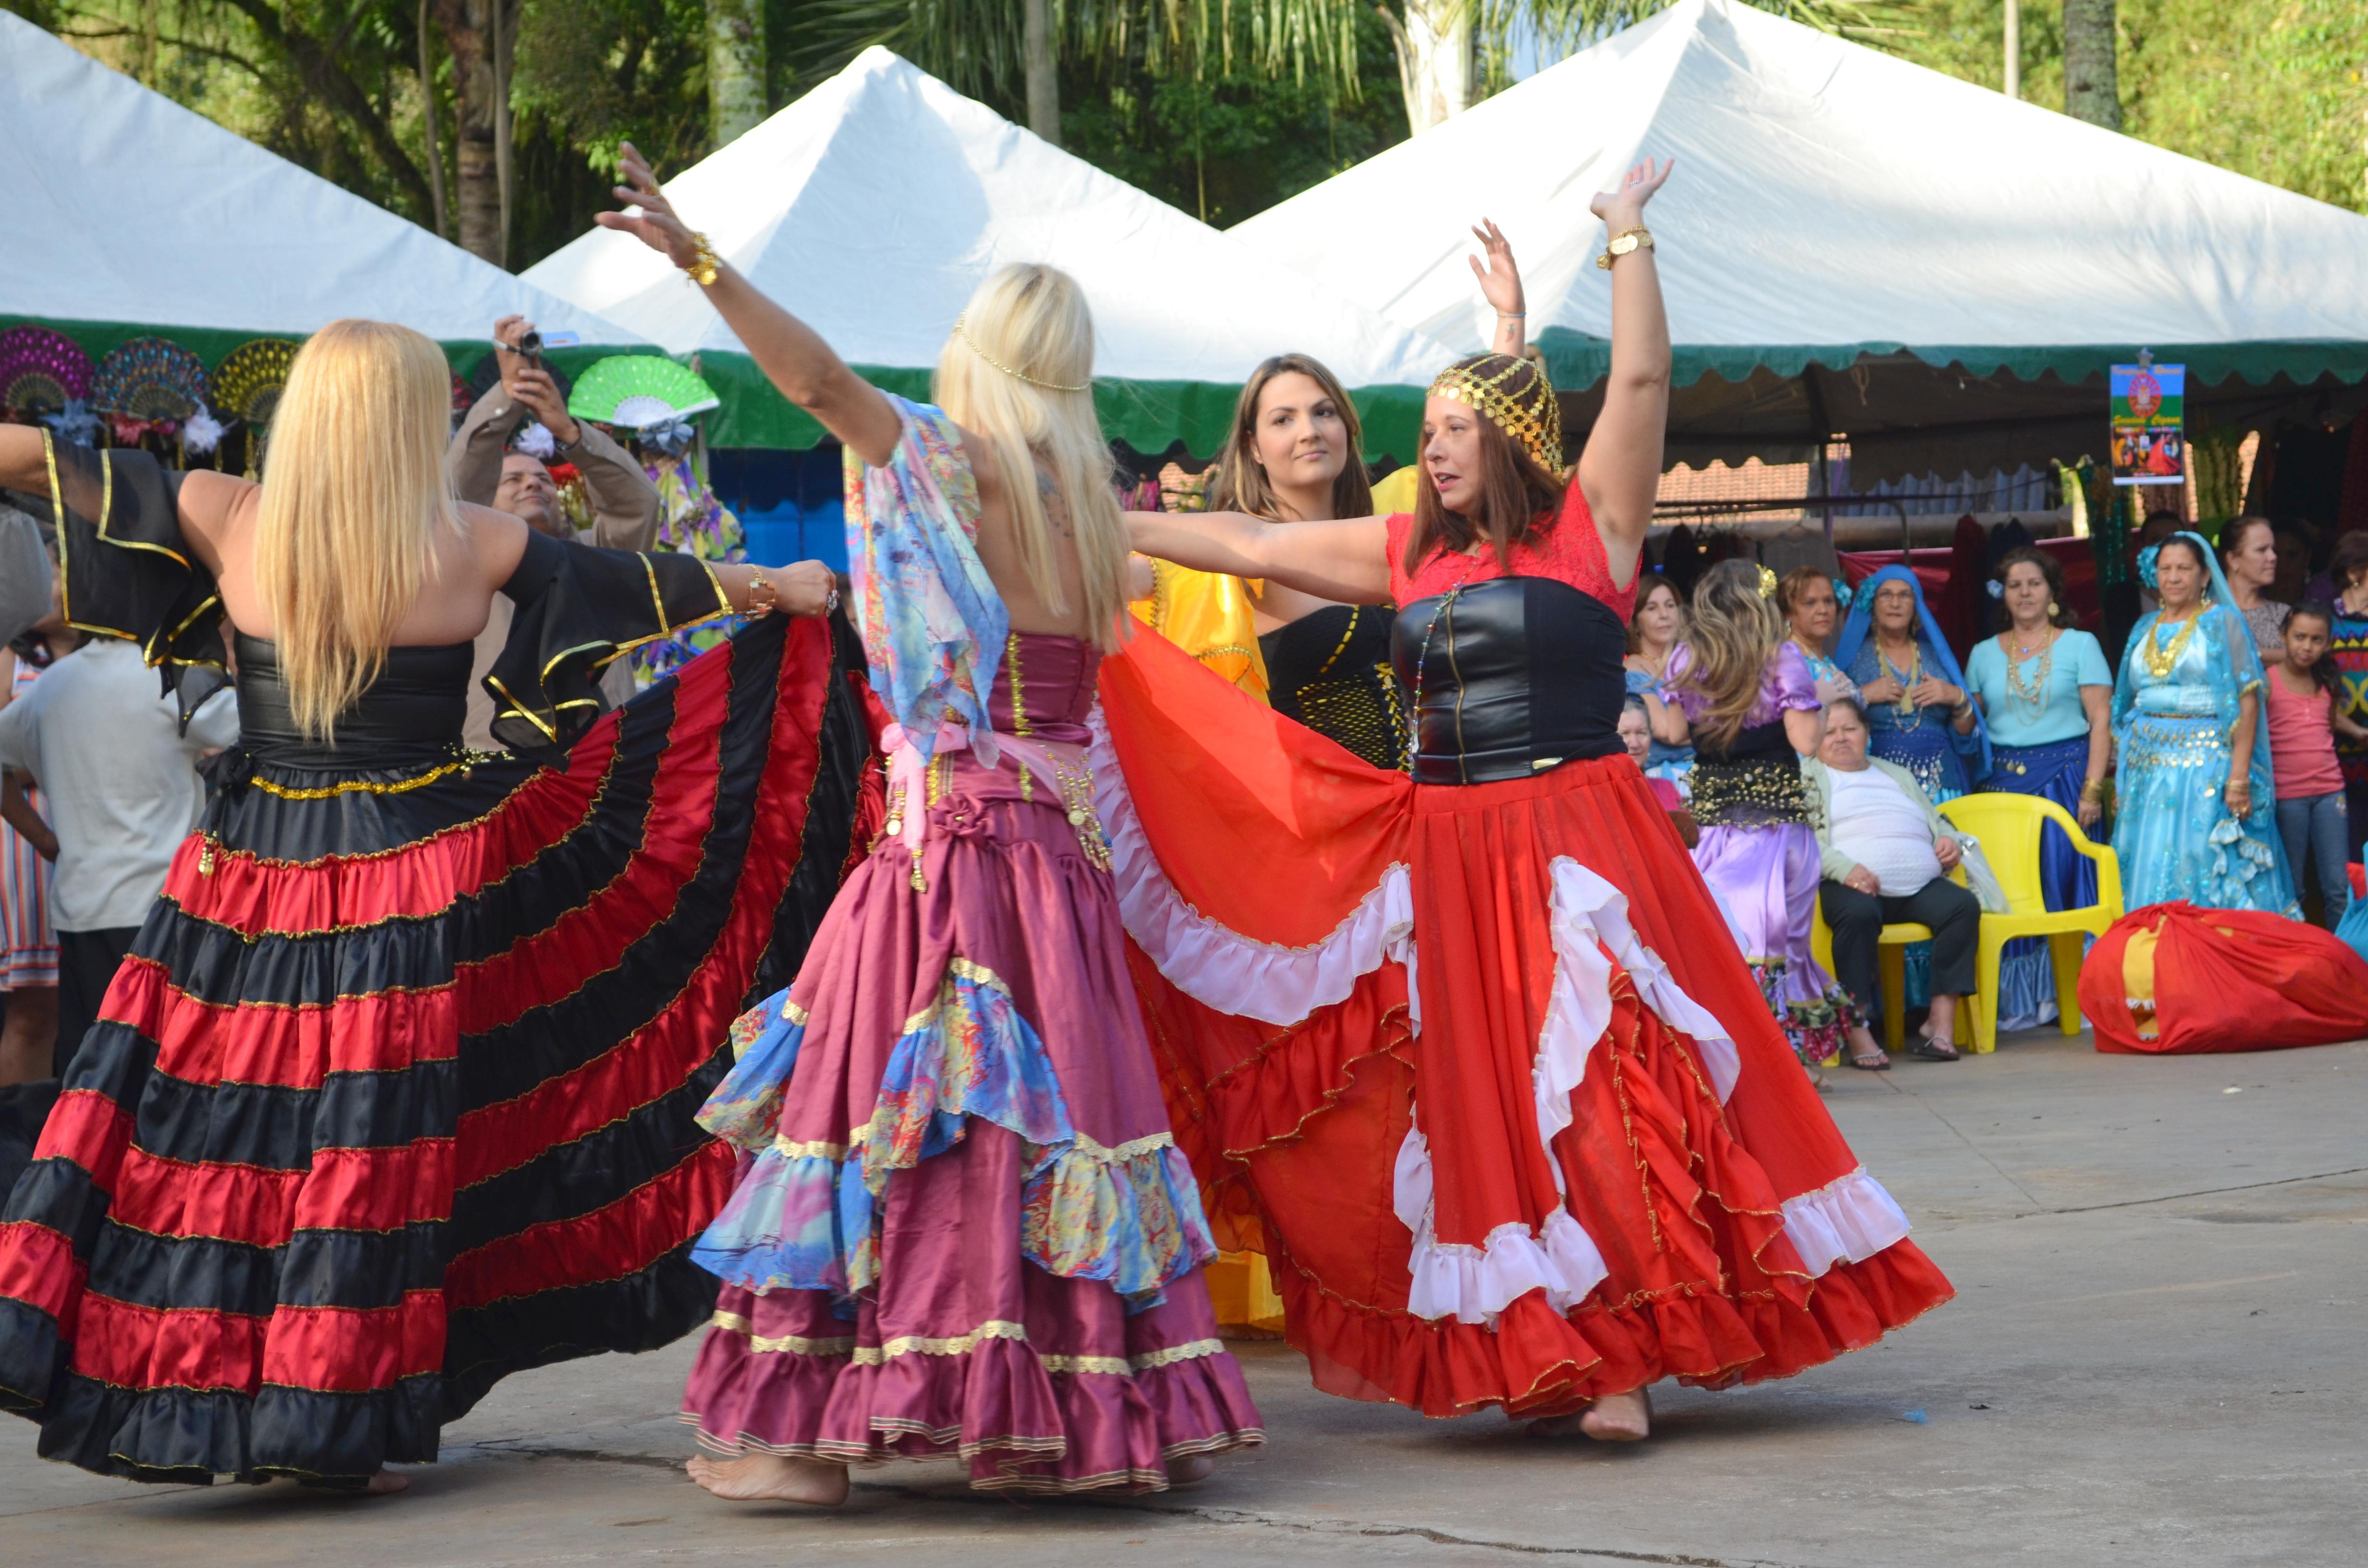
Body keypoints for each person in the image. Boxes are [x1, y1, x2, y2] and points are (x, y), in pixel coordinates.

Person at [1119, 156, 1950, 1446]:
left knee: (1612, 1076)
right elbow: (1249, 545)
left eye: (1450, 431)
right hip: (1449, 848)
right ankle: (1547, 1344)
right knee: (1493, 1103)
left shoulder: (1594, 526)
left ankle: (1626, 1352)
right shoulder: (1408, 552)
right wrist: (1100, 525)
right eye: (1430, 432)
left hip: (1580, 835)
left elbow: (1642, 383)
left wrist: (1627, 241)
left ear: (1506, 437)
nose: (1427, 449)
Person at [0, 319, 867, 1493]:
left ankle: (205, 1393)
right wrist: (785, 586)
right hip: (414, 874)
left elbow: (27, 462)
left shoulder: (224, 510)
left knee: (218, 1133)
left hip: (248, 878)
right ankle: (327, 1413)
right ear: (412, 419)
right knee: (366, 1146)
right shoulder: (474, 540)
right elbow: (649, 578)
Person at [594, 148, 1261, 1503]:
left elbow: (818, 387)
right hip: (1056, 874)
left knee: (880, 1117)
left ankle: (801, 1446)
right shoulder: (1087, 513)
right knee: (1050, 1121)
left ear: (980, 363)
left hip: (947, 859)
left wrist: (704, 260)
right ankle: (1062, 1425)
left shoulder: (958, 467)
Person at [0, 629, 239, 1078]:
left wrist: (44, 840)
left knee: (92, 1074)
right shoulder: (171, 676)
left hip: (83, 910)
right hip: (166, 909)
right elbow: (257, 731)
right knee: (168, 1070)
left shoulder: (54, 683)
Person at [1655, 562, 1856, 1068]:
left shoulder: (1686, 655)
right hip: (1775, 830)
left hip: (1713, 831)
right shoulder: (1780, 658)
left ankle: (1735, 1054)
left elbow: (1677, 733)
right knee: (1781, 944)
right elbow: (1806, 742)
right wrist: (1825, 702)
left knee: (1725, 941)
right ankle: (1778, 1061)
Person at [454, 316, 662, 750]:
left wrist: (568, 432)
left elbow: (637, 505)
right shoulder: (464, 564)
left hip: (603, 764)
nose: (532, 484)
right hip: (495, 765)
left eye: (543, 479)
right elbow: (458, 487)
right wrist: (507, 396)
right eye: (512, 481)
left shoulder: (594, 557)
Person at [1962, 547, 2112, 1030]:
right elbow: (1969, 726)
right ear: (2001, 596)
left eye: (2034, 583)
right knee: (2012, 892)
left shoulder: (2079, 644)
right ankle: (2026, 1003)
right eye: (2014, 585)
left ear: (2051, 592)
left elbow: (2099, 721)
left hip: (2066, 779)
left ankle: (2078, 994)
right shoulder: (1982, 653)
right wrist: (1950, 700)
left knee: (2064, 884)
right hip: (2001, 789)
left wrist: (2091, 790)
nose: (2024, 593)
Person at [2111, 532, 2297, 916]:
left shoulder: (2221, 622)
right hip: (2148, 770)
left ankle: (2202, 961)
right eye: (2166, 569)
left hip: (2205, 771)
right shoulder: (2142, 627)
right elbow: (2126, 703)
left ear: (2205, 576)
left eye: (2184, 568)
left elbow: (2248, 700)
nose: (2174, 577)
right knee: (2147, 862)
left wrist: (2240, 777)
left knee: (2199, 864)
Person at [1808, 698, 1981, 1064]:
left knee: (1961, 907)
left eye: (1850, 729)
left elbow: (1935, 819)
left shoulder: (1893, 773)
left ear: (1867, 734)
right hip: (1849, 885)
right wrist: (1845, 870)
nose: (1840, 738)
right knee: (1858, 915)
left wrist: (1946, 839)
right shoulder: (1809, 778)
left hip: (1916, 887)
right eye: (1829, 731)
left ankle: (1939, 1023)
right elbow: (1801, 840)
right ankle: (1857, 1030)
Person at [1835, 568, 1987, 802]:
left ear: (1916, 605)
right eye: (1886, 594)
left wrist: (1955, 697)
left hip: (1942, 784)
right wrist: (1863, 695)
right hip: (1880, 787)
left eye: (1904, 595)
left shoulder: (1936, 656)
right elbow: (1830, 721)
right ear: (1872, 604)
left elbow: (1965, 733)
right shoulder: (1853, 659)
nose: (1895, 603)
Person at [0, 611, 68, 1086]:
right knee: (34, 1011)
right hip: (28, 846)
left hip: (95, 847)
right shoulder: (12, 656)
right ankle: (20, 1144)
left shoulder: (118, 659)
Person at [2266, 602, 2365, 927]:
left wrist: (2359, 732)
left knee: (2338, 886)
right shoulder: (2267, 683)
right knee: (2293, 886)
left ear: (2327, 643)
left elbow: (2328, 717)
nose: (2307, 647)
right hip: (2288, 796)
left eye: (2317, 640)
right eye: (2300, 637)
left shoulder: (2325, 682)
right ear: (2283, 636)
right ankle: (2300, 959)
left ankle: (2340, 960)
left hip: (2330, 792)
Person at [1624, 573, 1694, 794]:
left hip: (1706, 768)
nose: (1664, 615)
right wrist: (1723, 729)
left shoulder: (1694, 661)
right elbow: (1667, 730)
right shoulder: (1633, 668)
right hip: (1665, 780)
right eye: (1652, 608)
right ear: (1636, 621)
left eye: (1670, 605)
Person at [2322, 532, 2368, 858]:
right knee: (2349, 861)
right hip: (2335, 766)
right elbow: (2311, 694)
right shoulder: (2320, 626)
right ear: (2355, 574)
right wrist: (2357, 732)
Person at [1776, 566, 1858, 709]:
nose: (1823, 610)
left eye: (1828, 601)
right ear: (1788, 613)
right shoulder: (1788, 661)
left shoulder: (1819, 655)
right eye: (1810, 603)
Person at [1619, 694, 1694, 846]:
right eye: (1625, 734)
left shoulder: (1666, 787)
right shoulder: (1605, 793)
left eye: (1641, 733)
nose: (1634, 743)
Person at [2220, 516, 2287, 663]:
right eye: (2261, 550)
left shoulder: (2283, 615)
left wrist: (2250, 653)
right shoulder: (2208, 613)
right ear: (2233, 560)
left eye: (2273, 549)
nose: (2273, 557)